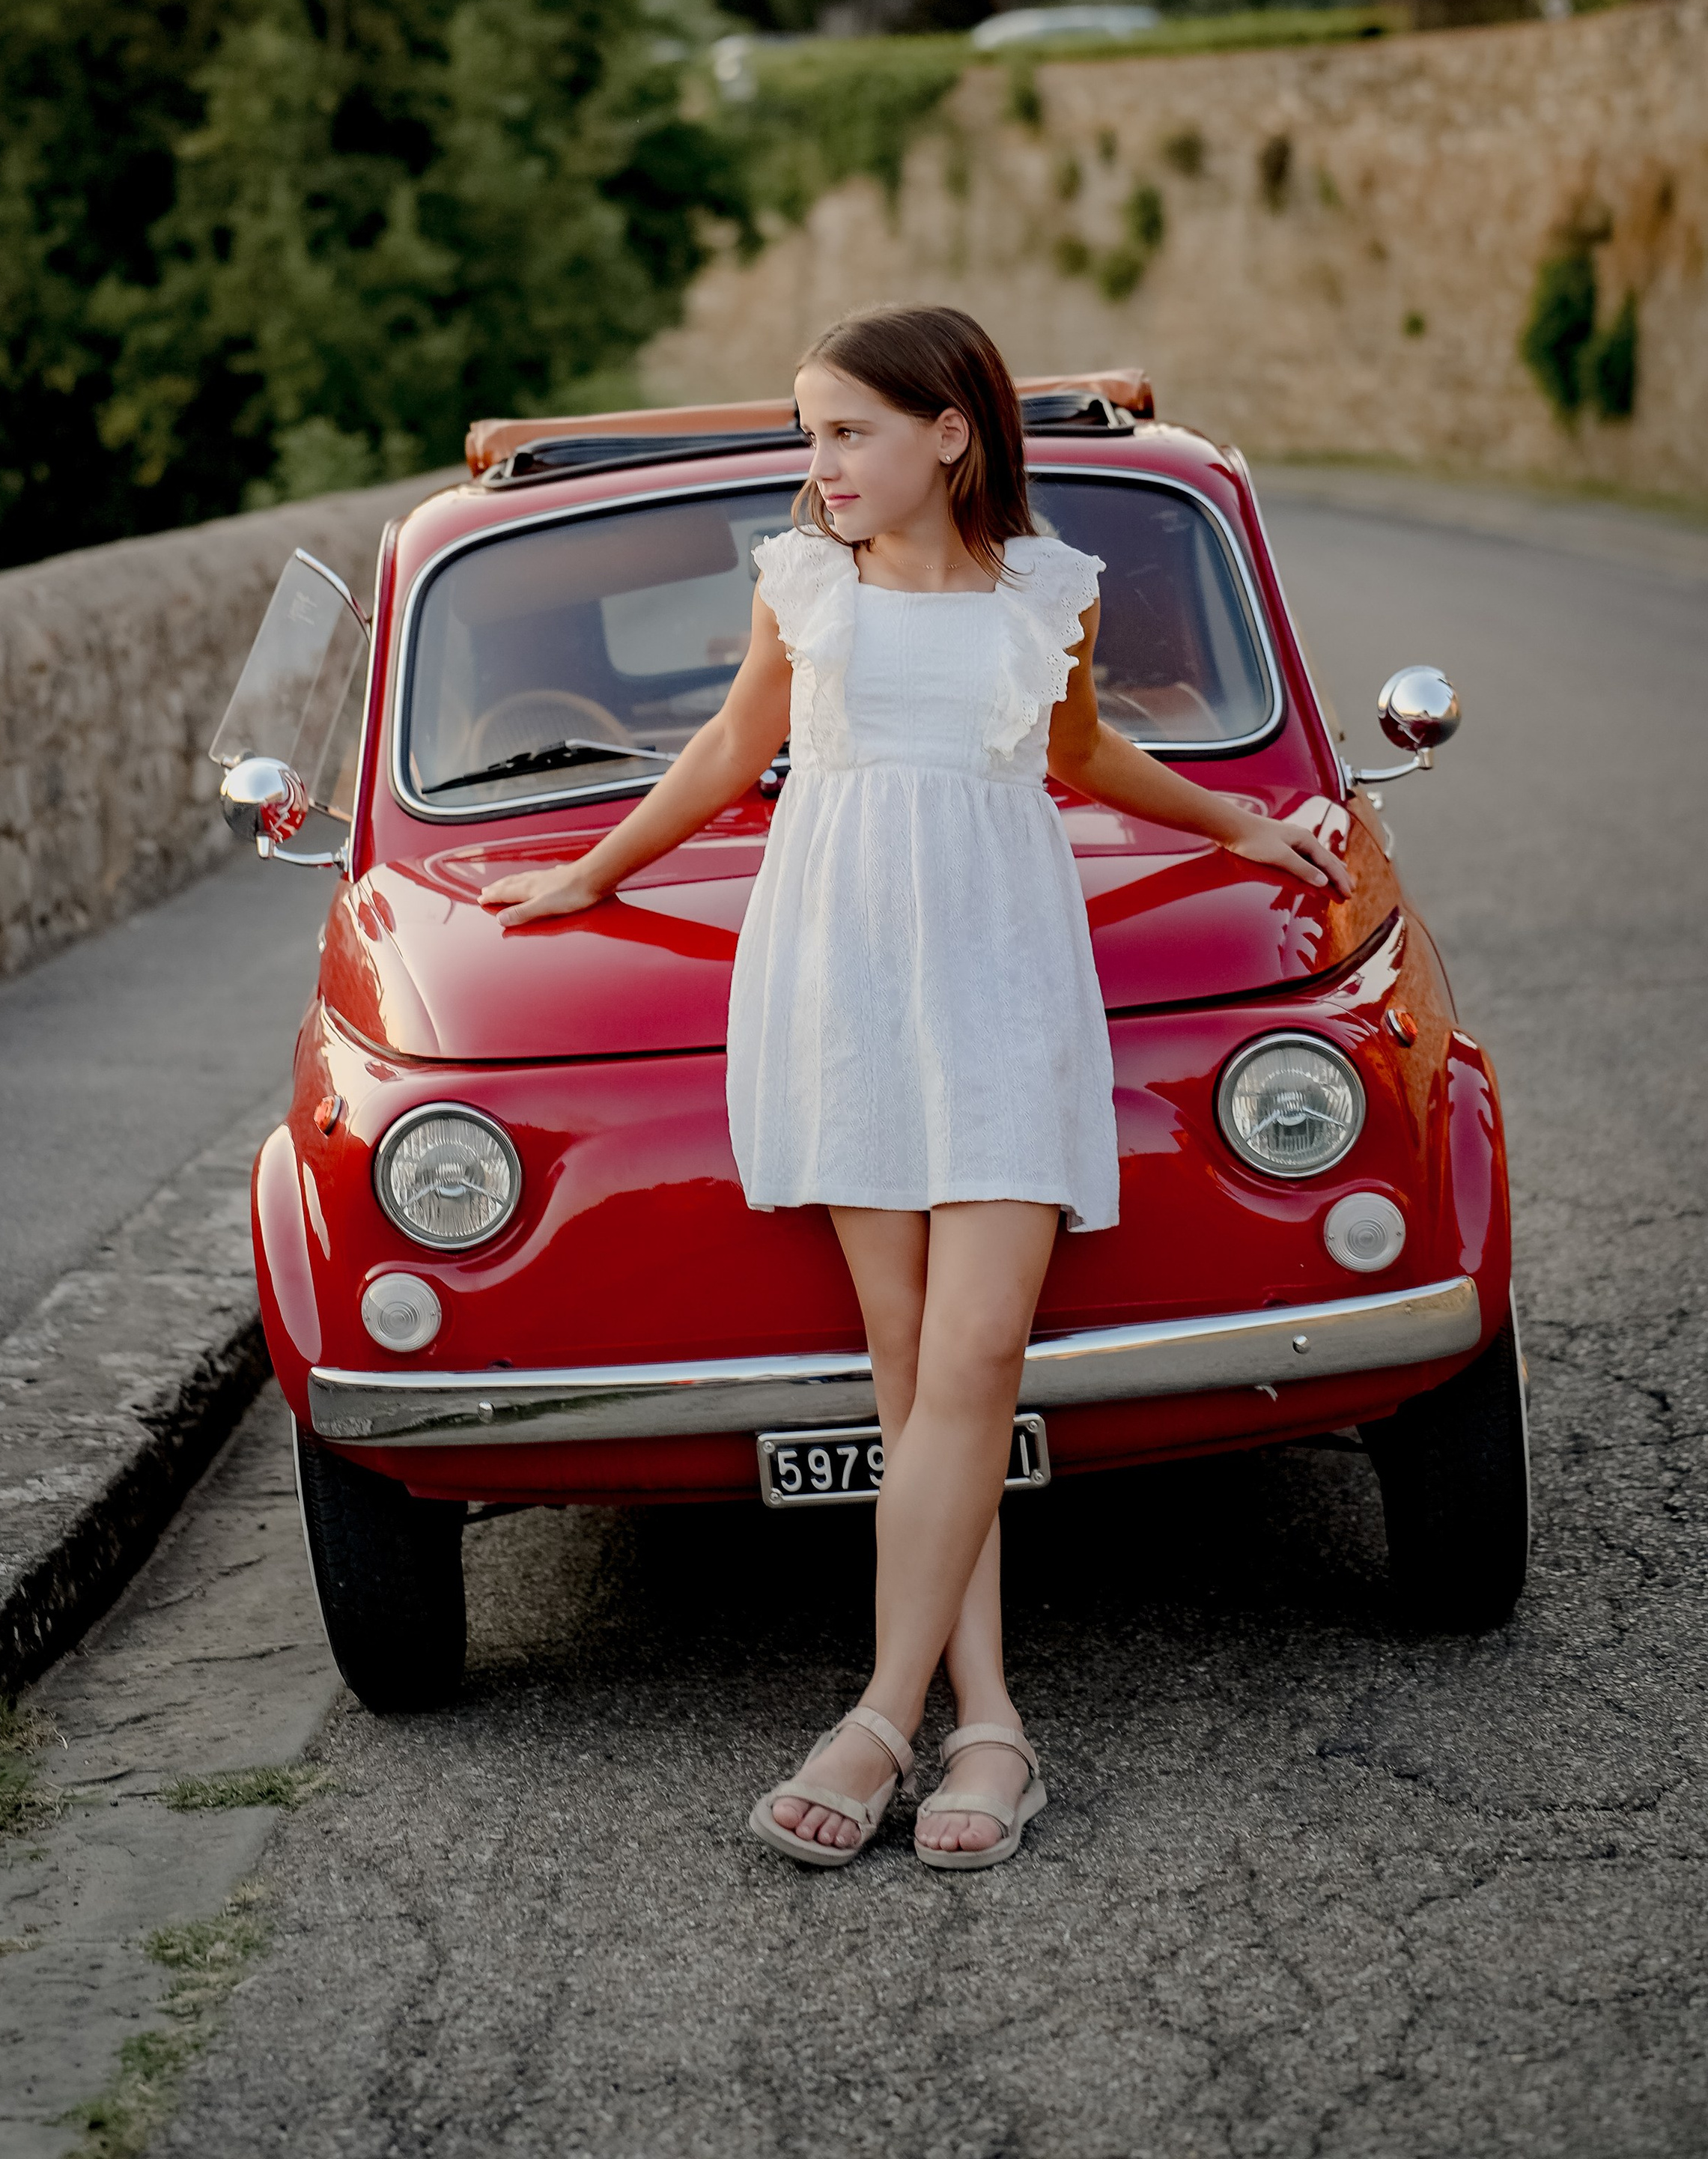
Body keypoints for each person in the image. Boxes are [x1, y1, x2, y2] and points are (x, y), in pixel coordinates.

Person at [481, 305, 1351, 1871]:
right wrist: (586, 874)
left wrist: (1242, 829)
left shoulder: (1042, 595)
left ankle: (876, 1717)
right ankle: (991, 1728)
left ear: (946, 433)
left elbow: (1083, 758)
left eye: (842, 433)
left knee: (971, 1362)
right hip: (844, 989)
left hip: (1006, 988)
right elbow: (729, 749)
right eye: (809, 435)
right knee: (908, 1374)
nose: (813, 466)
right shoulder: (804, 585)